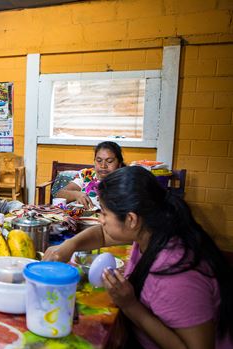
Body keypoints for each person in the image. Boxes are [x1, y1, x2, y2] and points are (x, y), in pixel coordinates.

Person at [44, 166, 232, 348]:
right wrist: (69, 246)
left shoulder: (177, 273)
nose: (100, 219)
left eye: (104, 213)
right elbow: (102, 234)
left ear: (131, 219)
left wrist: (130, 305)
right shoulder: (151, 230)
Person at [55, 141, 125, 209]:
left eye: (109, 161)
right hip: (83, 219)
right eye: (99, 160)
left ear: (119, 164)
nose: (103, 166)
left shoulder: (125, 180)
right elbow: (59, 194)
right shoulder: (87, 175)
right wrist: (77, 195)